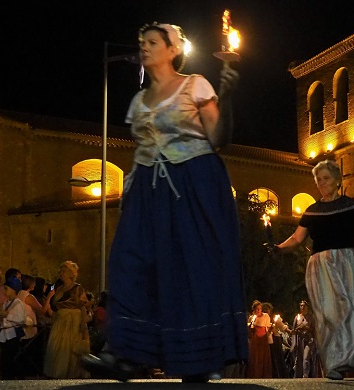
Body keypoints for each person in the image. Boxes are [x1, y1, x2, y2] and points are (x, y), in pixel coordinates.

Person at [81, 22, 248, 383]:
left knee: (191, 268)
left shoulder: (195, 84)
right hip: (146, 189)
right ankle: (125, 354)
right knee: (128, 264)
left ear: (173, 49)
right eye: (142, 42)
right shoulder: (139, 101)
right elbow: (142, 149)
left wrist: (228, 95)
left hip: (194, 184)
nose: (145, 47)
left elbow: (219, 138)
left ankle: (200, 359)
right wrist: (130, 193)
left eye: (153, 42)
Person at [273, 160, 354, 380]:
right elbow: (296, 238)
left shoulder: (352, 206)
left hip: (349, 262)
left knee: (351, 312)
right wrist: (277, 248)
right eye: (318, 179)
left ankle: (348, 362)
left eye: (326, 178)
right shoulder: (312, 211)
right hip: (321, 265)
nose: (322, 183)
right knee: (329, 314)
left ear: (337, 180)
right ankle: (333, 364)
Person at [43, 261, 89, 379]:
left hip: (72, 321)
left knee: (68, 349)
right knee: (56, 348)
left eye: (63, 271)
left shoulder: (77, 288)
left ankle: (68, 374)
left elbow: (82, 307)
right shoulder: (59, 289)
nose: (60, 273)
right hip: (60, 321)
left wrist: (83, 326)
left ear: (70, 273)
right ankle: (57, 374)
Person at [0, 276, 26, 379]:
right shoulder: (7, 303)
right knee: (5, 357)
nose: (4, 291)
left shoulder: (19, 303)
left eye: (6, 289)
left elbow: (20, 318)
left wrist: (7, 315)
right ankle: (5, 375)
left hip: (12, 335)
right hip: (6, 335)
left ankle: (12, 376)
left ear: (14, 290)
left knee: (11, 357)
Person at [290, 300, 320, 378]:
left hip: (308, 340)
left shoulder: (311, 317)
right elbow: (293, 330)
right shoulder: (297, 317)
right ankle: (298, 375)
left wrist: (307, 328)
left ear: (307, 307)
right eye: (301, 306)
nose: (302, 307)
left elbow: (314, 329)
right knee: (299, 358)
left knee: (306, 357)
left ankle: (306, 374)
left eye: (304, 306)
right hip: (299, 340)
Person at [262, 302, 289, 378]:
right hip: (267, 341)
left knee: (277, 357)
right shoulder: (262, 319)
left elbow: (282, 326)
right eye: (264, 309)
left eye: (267, 309)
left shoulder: (273, 319)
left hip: (276, 340)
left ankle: (280, 374)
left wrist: (289, 331)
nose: (266, 311)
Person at [247, 300, 272, 378]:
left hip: (263, 339)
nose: (259, 310)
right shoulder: (252, 317)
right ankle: (254, 374)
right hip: (255, 339)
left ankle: (264, 374)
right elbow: (250, 328)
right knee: (255, 357)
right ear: (254, 309)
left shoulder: (265, 316)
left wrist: (270, 329)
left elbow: (268, 327)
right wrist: (251, 327)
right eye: (257, 309)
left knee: (263, 357)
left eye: (260, 308)